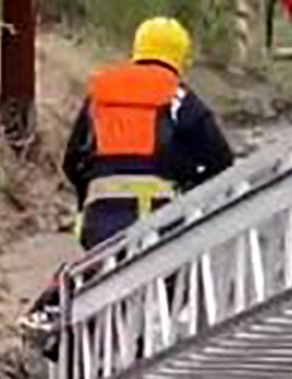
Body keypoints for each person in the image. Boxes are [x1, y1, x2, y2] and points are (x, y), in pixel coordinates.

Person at [23, 17, 235, 354]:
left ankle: (56, 311)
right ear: (180, 57)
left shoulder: (100, 93)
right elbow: (221, 160)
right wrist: (193, 191)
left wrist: (88, 198)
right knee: (168, 276)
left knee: (101, 268)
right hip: (157, 218)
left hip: (99, 215)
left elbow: (72, 160)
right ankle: (131, 343)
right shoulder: (179, 97)